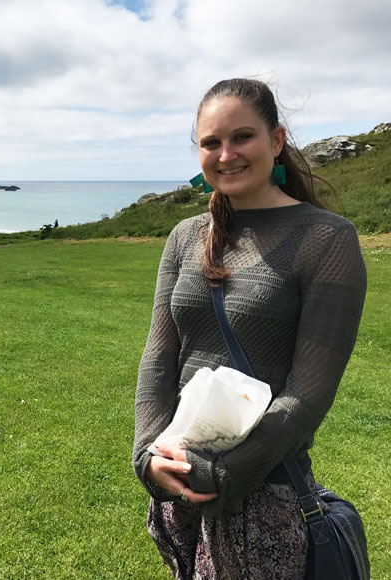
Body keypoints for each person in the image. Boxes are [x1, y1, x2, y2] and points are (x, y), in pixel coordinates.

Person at [131, 78, 367, 579]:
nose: (226, 154)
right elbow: (159, 355)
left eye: (243, 137)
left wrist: (224, 473)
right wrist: (148, 454)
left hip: (265, 497)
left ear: (276, 140)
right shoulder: (184, 236)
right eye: (211, 142)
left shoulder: (327, 239)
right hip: (179, 491)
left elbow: (310, 392)